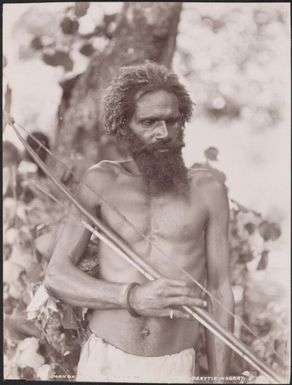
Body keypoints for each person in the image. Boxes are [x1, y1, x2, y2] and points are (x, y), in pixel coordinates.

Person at [44, 62, 234, 383]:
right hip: (105, 361)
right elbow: (56, 275)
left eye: (172, 121)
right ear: (123, 126)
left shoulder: (209, 190)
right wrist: (131, 297)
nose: (163, 133)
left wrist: (218, 379)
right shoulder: (100, 181)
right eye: (149, 122)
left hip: (173, 365)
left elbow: (221, 290)